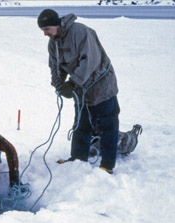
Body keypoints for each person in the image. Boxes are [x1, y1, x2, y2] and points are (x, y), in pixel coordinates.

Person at [37, 9, 120, 174]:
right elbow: (55, 67)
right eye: (43, 30)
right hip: (82, 89)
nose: (45, 34)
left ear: (55, 24)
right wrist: (60, 85)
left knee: (107, 125)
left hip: (102, 85)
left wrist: (73, 83)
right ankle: (77, 159)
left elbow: (89, 61)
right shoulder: (53, 43)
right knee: (81, 125)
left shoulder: (80, 32)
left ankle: (107, 164)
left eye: (46, 29)